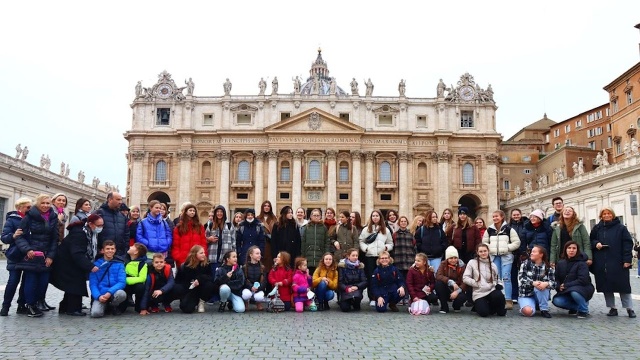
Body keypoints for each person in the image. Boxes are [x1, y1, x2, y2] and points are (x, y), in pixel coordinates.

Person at [14, 194, 58, 317]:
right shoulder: (29, 217)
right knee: (31, 281)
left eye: (48, 203)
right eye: (43, 203)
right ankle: (30, 305)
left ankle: (37, 302)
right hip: (32, 255)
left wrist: (51, 256)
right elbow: (19, 236)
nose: (45, 205)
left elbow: (54, 239)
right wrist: (27, 249)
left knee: (43, 282)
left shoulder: (53, 217)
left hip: (45, 255)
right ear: (38, 203)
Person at [50, 214, 102, 316]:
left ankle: (65, 307)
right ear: (91, 224)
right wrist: (90, 266)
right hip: (67, 262)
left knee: (72, 286)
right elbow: (77, 253)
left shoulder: (88, 232)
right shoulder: (80, 233)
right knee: (75, 285)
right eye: (99, 225)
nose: (101, 227)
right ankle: (73, 309)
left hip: (71, 261)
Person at [590, 207, 635, 318]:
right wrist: (596, 244)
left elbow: (628, 244)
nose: (606, 215)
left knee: (623, 286)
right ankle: (612, 308)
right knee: (606, 286)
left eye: (609, 213)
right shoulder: (597, 228)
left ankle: (629, 308)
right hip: (602, 261)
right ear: (601, 216)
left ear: (613, 215)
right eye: (604, 214)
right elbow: (591, 240)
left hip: (618, 261)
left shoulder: (621, 228)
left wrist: (627, 260)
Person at [482, 210, 521, 310]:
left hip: (506, 256)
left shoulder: (509, 229)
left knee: (506, 277)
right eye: (493, 216)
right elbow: (484, 242)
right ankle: (498, 299)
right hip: (494, 256)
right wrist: (490, 248)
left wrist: (507, 248)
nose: (495, 218)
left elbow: (517, 242)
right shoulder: (489, 230)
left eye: (497, 216)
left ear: (502, 217)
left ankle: (508, 299)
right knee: (496, 278)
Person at [1, 197, 32, 316]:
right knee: (13, 281)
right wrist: (13, 235)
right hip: (15, 254)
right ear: (19, 207)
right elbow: (4, 238)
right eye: (27, 207)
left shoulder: (32, 219)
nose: (30, 210)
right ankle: (5, 306)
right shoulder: (12, 220)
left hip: (29, 255)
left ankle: (21, 305)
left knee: (26, 282)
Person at [552, 241, 595, 319]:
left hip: (582, 288)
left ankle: (583, 310)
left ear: (577, 250)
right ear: (565, 250)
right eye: (569, 248)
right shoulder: (560, 263)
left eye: (574, 248)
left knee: (574, 292)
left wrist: (566, 285)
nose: (571, 250)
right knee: (556, 301)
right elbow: (556, 278)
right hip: (566, 290)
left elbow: (583, 280)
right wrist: (559, 286)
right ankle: (577, 307)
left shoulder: (582, 263)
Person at [359, 209, 394, 306]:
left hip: (381, 257)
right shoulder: (366, 229)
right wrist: (366, 249)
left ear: (380, 217)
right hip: (370, 256)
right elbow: (361, 241)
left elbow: (390, 243)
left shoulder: (386, 230)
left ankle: (383, 296)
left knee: (382, 277)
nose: (375, 217)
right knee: (371, 277)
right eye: (373, 216)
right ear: (371, 217)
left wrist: (386, 248)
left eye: (377, 216)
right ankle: (372, 297)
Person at [463, 243, 507, 317]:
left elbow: (497, 278)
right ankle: (479, 306)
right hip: (479, 292)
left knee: (499, 296)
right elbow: (465, 277)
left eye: (485, 251)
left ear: (488, 251)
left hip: (491, 289)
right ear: (477, 252)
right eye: (481, 251)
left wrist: (499, 284)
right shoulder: (472, 263)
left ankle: (497, 308)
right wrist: (476, 283)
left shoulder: (493, 265)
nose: (483, 253)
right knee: (484, 313)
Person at [174, 245, 217, 314]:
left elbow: (210, 277)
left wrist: (199, 279)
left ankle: (201, 302)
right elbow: (178, 281)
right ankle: (188, 300)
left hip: (202, 288)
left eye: (204, 253)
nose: (204, 254)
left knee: (210, 285)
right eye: (201, 253)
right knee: (186, 309)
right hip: (189, 289)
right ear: (194, 254)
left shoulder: (206, 264)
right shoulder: (186, 265)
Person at [89, 240, 127, 318]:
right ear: (103, 250)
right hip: (101, 293)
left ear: (115, 250)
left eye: (112, 249)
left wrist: (109, 292)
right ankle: (104, 305)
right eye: (108, 249)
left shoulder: (119, 264)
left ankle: (113, 305)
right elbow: (93, 284)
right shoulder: (96, 265)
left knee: (121, 294)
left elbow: (122, 282)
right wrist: (98, 296)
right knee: (96, 313)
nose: (110, 251)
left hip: (114, 292)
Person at [517, 245, 556, 318]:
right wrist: (532, 283)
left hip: (541, 294)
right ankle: (527, 306)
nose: (531, 253)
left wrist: (546, 283)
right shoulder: (525, 265)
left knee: (541, 285)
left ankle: (544, 310)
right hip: (526, 295)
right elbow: (521, 280)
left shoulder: (548, 267)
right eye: (531, 252)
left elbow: (554, 283)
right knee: (528, 312)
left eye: (534, 252)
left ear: (541, 255)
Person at [171, 204, 207, 269]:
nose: (192, 212)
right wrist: (178, 256)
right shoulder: (179, 227)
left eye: (194, 211)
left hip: (197, 258)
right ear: (186, 212)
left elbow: (203, 242)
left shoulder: (200, 226)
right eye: (190, 210)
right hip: (183, 258)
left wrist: (203, 255)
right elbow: (176, 244)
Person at [435, 247, 468, 314]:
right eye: (451, 258)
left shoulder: (463, 266)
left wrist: (457, 291)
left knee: (463, 297)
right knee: (438, 284)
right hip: (447, 288)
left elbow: (465, 281)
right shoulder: (443, 264)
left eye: (455, 258)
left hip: (458, 289)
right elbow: (438, 275)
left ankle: (456, 306)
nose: (453, 260)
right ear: (447, 258)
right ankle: (444, 306)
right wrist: (451, 282)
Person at [96, 192, 128, 257]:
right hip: (102, 255)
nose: (120, 202)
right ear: (110, 200)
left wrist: (124, 251)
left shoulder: (122, 216)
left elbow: (126, 235)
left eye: (121, 200)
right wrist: (98, 250)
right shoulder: (99, 213)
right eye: (118, 199)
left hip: (119, 255)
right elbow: (94, 233)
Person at [120, 243, 149, 313]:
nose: (130, 246)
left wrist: (127, 280)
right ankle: (123, 305)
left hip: (132, 283)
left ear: (136, 252)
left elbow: (142, 278)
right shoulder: (123, 260)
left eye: (133, 246)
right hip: (123, 284)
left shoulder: (143, 264)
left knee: (141, 287)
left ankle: (138, 306)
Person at [508, 209, 529, 301]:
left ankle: (525, 293)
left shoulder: (526, 225)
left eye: (517, 214)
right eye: (514, 215)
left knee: (525, 274)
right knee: (512, 274)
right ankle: (514, 295)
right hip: (512, 252)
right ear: (511, 216)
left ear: (521, 215)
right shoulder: (508, 226)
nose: (516, 216)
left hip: (523, 252)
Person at [302, 208, 329, 276]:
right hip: (308, 258)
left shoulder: (324, 228)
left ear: (320, 216)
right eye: (314, 215)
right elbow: (303, 243)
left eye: (318, 215)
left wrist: (325, 255)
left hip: (320, 257)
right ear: (311, 216)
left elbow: (327, 243)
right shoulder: (306, 227)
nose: (316, 217)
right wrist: (303, 257)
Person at [241, 246, 266, 311]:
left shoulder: (262, 267)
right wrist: (251, 287)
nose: (259, 255)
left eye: (260, 253)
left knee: (259, 297)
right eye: (257, 253)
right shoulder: (245, 267)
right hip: (248, 288)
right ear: (251, 255)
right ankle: (246, 302)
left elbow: (264, 281)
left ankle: (258, 303)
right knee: (246, 295)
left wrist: (258, 288)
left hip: (258, 288)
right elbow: (244, 280)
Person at [392, 216, 416, 282]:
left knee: (409, 281)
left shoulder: (411, 234)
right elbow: (393, 248)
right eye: (401, 221)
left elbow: (414, 247)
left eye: (405, 221)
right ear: (399, 223)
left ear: (407, 223)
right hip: (399, 261)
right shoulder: (394, 235)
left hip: (409, 261)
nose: (403, 223)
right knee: (400, 281)